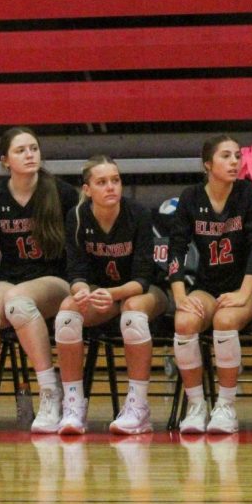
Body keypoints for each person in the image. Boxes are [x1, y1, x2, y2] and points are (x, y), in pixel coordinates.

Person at [0, 127, 80, 434]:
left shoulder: (61, 192)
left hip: (53, 280)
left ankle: (50, 393)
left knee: (18, 303)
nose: (29, 154)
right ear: (5, 160)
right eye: (21, 150)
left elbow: (75, 248)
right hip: (9, 278)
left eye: (33, 148)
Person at [53, 156, 171, 435]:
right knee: (68, 309)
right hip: (101, 296)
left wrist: (112, 293)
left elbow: (143, 278)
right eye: (102, 182)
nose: (111, 187)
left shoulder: (138, 214)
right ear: (87, 189)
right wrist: (82, 292)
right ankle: (73, 406)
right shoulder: (77, 217)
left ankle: (138, 407)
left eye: (115, 180)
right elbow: (76, 271)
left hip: (142, 292)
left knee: (132, 309)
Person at [168, 134, 252, 434]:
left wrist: (243, 293)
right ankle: (196, 405)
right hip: (207, 284)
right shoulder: (190, 197)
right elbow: (176, 247)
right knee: (184, 322)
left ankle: (226, 406)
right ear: (208, 164)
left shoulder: (248, 194)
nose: (235, 162)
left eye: (238, 156)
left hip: (246, 288)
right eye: (226, 156)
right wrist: (179, 295)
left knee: (225, 320)